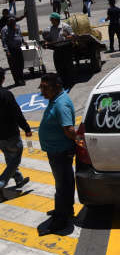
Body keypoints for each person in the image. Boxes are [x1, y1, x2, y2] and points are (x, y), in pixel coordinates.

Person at [36, 73, 76, 236]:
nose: (43, 91)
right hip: (57, 151)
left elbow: (69, 131)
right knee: (66, 182)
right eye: (41, 87)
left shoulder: (61, 105)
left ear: (57, 87)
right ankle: (66, 209)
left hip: (60, 152)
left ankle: (59, 221)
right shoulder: (56, 100)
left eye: (46, 88)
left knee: (62, 186)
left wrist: (80, 139)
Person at [0, 69, 32, 203]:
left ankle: (19, 179)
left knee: (9, 156)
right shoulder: (6, 94)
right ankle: (1, 183)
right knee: (15, 160)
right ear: (3, 78)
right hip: (10, 134)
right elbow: (17, 113)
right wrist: (26, 128)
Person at [42, 13, 75, 90]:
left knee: (67, 66)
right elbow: (49, 38)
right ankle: (62, 82)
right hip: (57, 49)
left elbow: (73, 36)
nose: (50, 20)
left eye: (51, 19)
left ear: (55, 19)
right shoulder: (51, 28)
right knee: (58, 66)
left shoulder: (65, 27)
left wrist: (66, 36)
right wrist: (46, 44)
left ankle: (70, 83)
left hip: (66, 48)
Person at [1, 15, 27, 86]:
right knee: (14, 66)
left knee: (21, 64)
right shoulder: (5, 29)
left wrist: (22, 41)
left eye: (13, 20)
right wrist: (7, 51)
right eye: (10, 21)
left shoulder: (17, 26)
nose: (12, 22)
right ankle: (17, 80)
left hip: (18, 48)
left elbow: (19, 35)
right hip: (11, 49)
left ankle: (21, 78)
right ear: (8, 21)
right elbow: (4, 41)